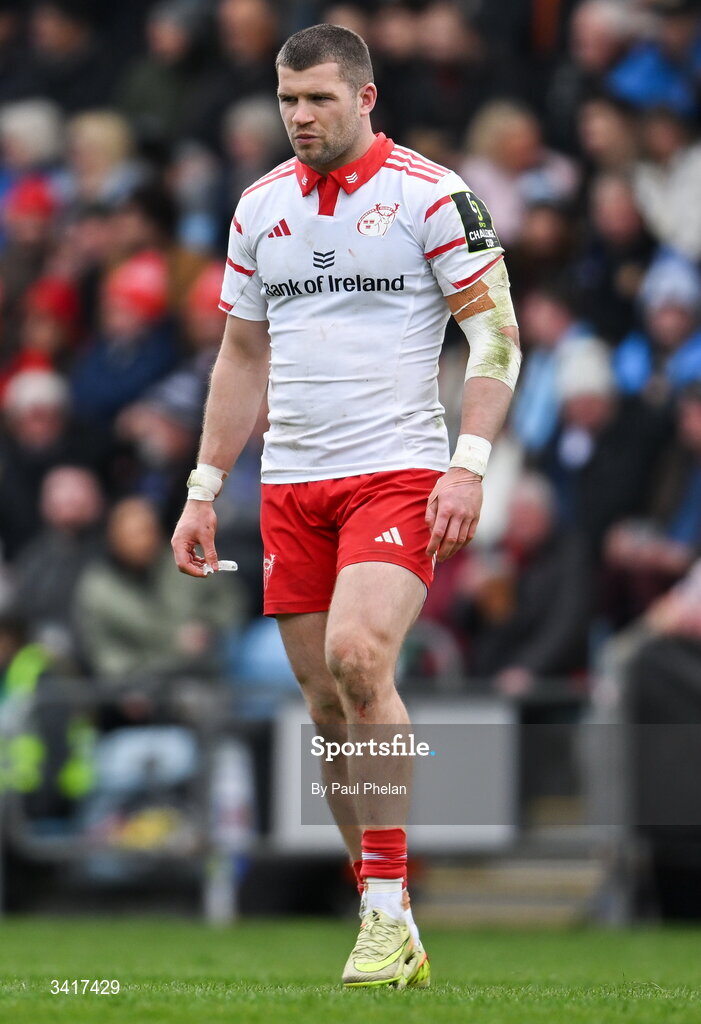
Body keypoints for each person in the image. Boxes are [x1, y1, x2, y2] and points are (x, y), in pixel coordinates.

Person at [171, 23, 521, 988]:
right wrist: (204, 489)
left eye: (319, 99)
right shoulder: (259, 208)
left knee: (359, 657)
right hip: (289, 483)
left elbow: (495, 334)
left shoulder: (431, 194)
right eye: (289, 101)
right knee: (327, 706)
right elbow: (241, 358)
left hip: (396, 471)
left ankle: (376, 907)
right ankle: (390, 907)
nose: (301, 117)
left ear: (365, 98)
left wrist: (468, 463)